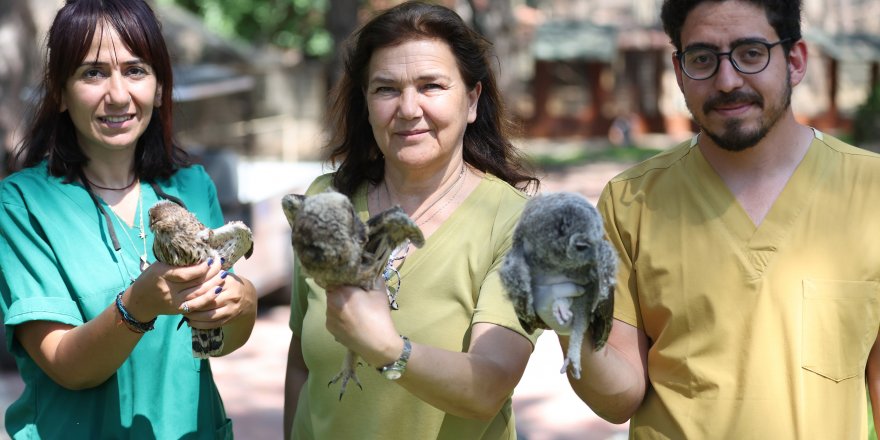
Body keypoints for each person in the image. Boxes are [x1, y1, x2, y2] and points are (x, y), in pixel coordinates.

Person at [555, 0, 880, 438]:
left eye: (751, 53)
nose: (727, 81)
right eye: (703, 59)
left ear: (796, 60)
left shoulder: (871, 192)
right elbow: (619, 399)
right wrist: (565, 317)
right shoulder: (630, 202)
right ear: (679, 70)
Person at [0, 1, 257, 438]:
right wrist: (136, 306)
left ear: (159, 88)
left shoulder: (193, 186)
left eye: (136, 70)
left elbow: (216, 340)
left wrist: (243, 304)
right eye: (92, 73)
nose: (118, 95)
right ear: (60, 92)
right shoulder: (21, 204)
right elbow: (67, 366)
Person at [283, 2, 540, 439]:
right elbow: (301, 362)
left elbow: (489, 387)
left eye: (431, 86)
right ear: (365, 102)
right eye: (385, 89)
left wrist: (386, 348)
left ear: (473, 99)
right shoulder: (326, 201)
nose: (408, 108)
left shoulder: (515, 223)